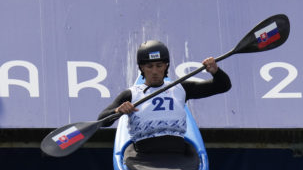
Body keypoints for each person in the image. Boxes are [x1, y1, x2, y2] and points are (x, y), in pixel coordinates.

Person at [98, 40, 231, 154]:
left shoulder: (181, 88)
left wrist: (216, 71)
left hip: (177, 154)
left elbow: (223, 86)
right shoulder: (131, 94)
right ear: (141, 68)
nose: (155, 71)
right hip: (144, 156)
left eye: (159, 65)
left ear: (166, 66)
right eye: (149, 66)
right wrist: (117, 112)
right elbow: (102, 120)